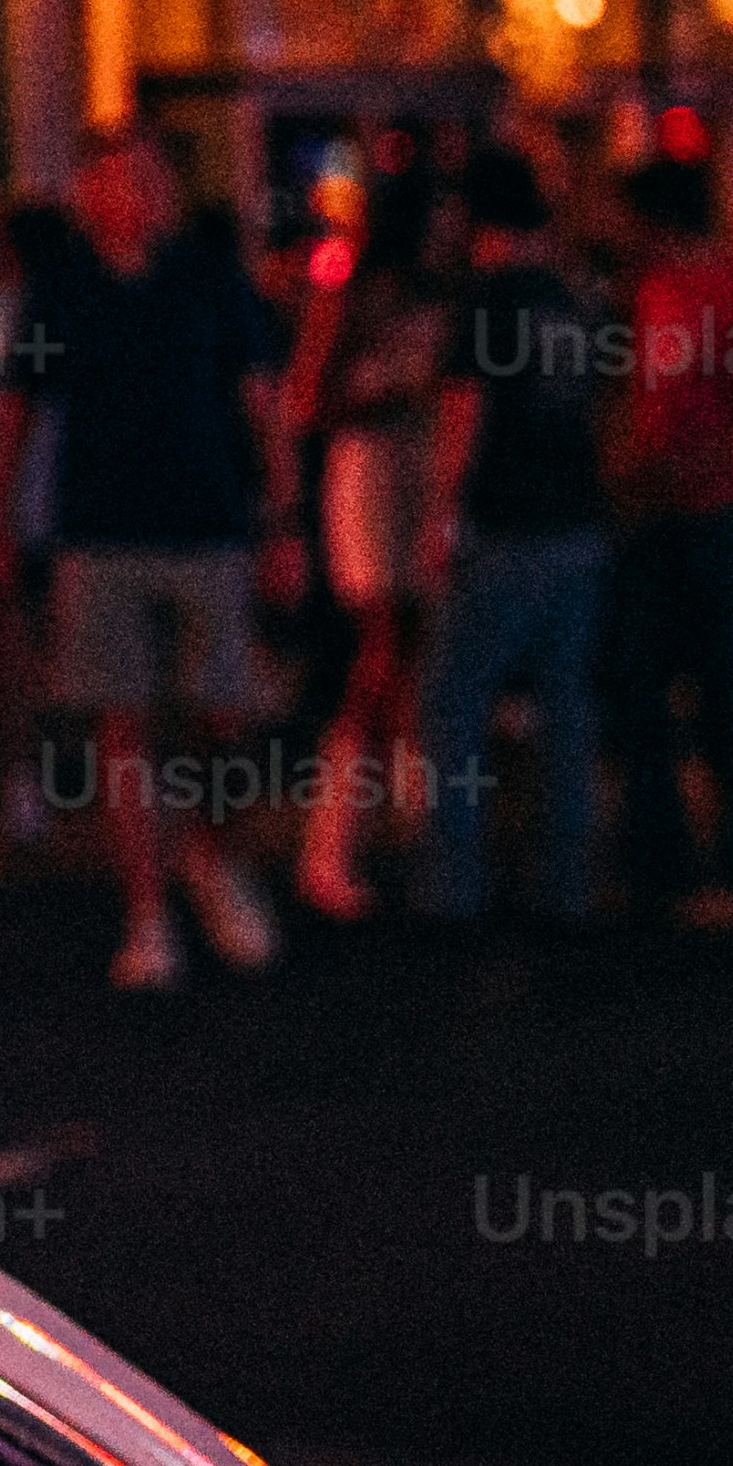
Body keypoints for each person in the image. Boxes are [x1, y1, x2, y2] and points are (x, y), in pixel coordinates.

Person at [19, 121, 295, 990]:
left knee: (225, 721)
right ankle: (148, 913)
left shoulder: (210, 279)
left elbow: (262, 401)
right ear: (86, 195)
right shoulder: (61, 289)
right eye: (111, 177)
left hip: (208, 525)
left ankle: (213, 859)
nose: (129, 194)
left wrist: (282, 519)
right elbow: (16, 410)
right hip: (99, 530)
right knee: (123, 727)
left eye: (144, 177)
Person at [405, 149, 628, 927]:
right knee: (566, 704)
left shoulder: (488, 298)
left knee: (452, 702)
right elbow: (605, 405)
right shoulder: (579, 297)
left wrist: (441, 514)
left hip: (504, 522)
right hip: (579, 519)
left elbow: (467, 410)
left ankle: (455, 881)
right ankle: (566, 880)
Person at [597, 151, 733, 930]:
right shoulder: (651, 293)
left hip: (720, 514)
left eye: (622, 216)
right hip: (655, 518)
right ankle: (661, 862)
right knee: (640, 688)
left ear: (652, 220)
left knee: (732, 690)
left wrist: (684, 466)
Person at [286, 126, 453, 922]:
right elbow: (305, 400)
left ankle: (412, 828)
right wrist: (391, 396)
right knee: (380, 650)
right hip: (371, 470)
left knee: (417, 651)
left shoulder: (447, 294)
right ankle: (337, 841)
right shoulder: (350, 289)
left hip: (425, 469)